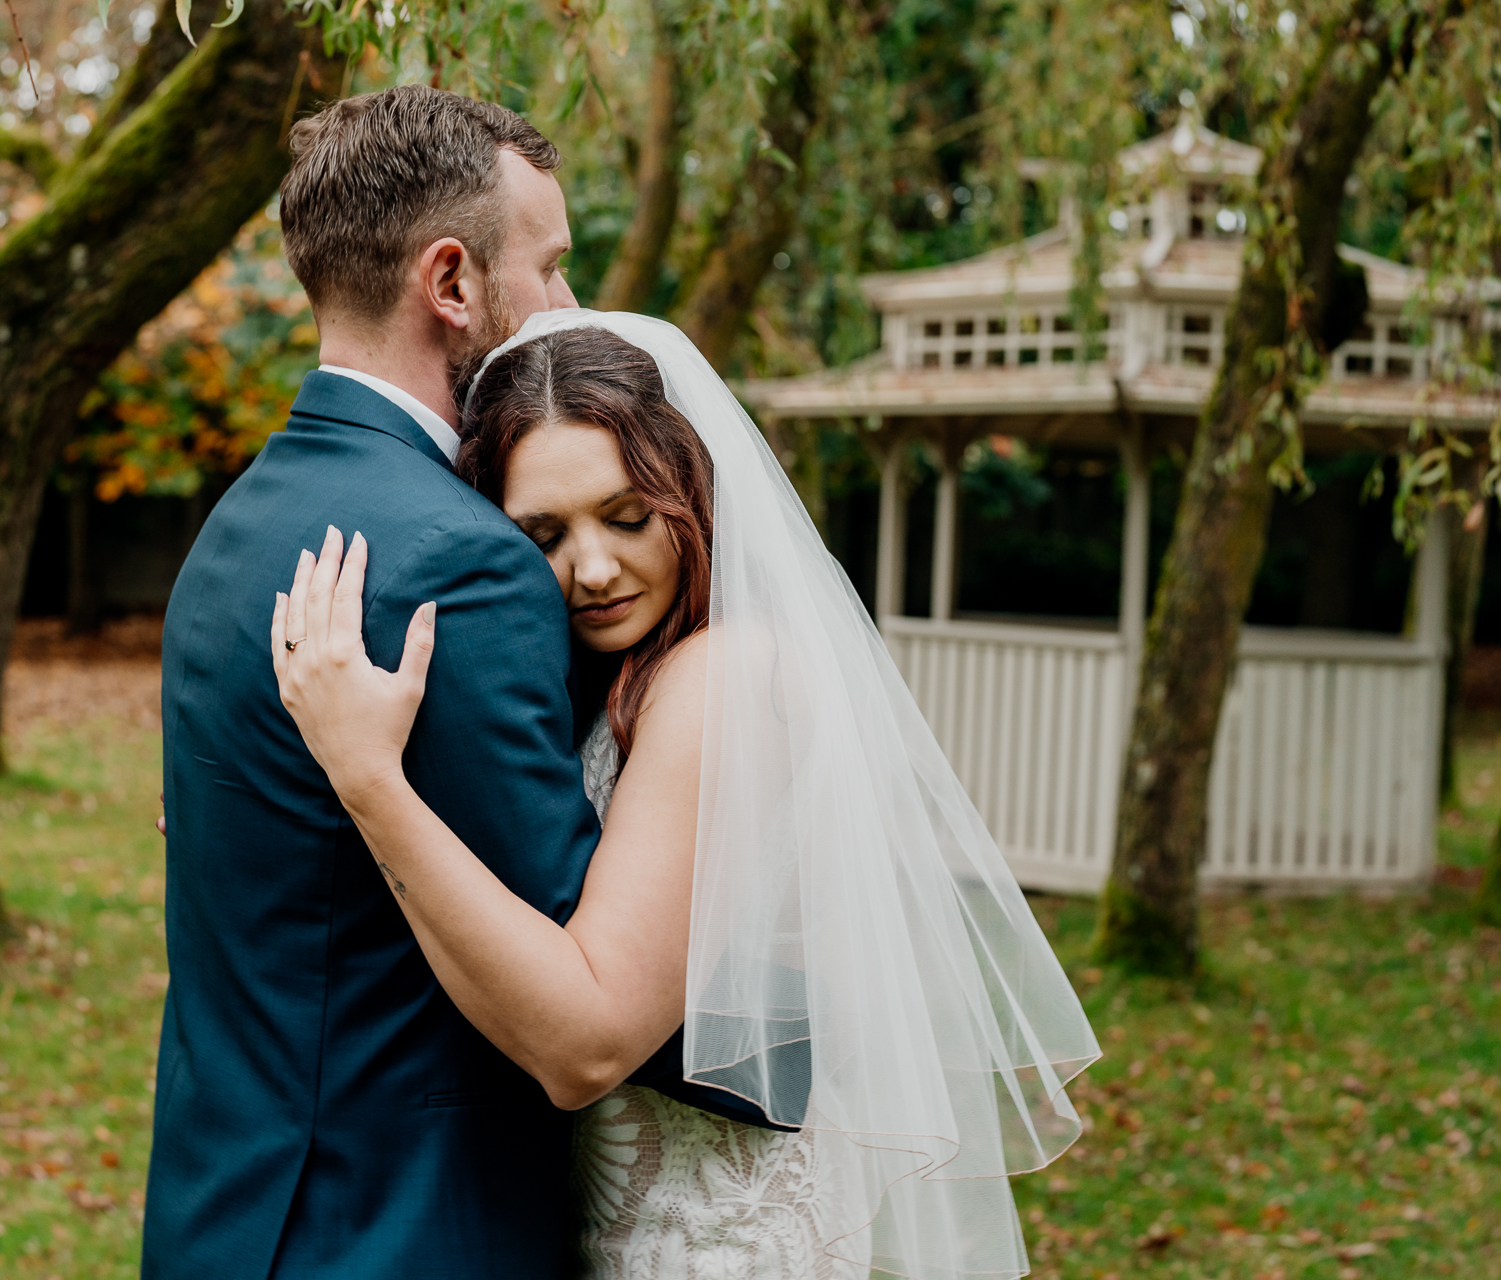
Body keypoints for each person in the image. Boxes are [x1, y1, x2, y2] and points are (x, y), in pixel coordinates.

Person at [269, 311, 1102, 1279]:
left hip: (711, 1234)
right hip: (610, 1206)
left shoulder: (726, 677)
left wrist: (366, 780)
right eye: (542, 533)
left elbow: (587, 1043)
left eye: (628, 516)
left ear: (695, 492)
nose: (591, 567)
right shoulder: (625, 677)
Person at [142, 86, 609, 1278]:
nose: (570, 308)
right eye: (550, 267)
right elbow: (579, 977)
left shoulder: (232, 535)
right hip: (405, 1232)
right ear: (451, 283)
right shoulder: (466, 563)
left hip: (226, 1217)